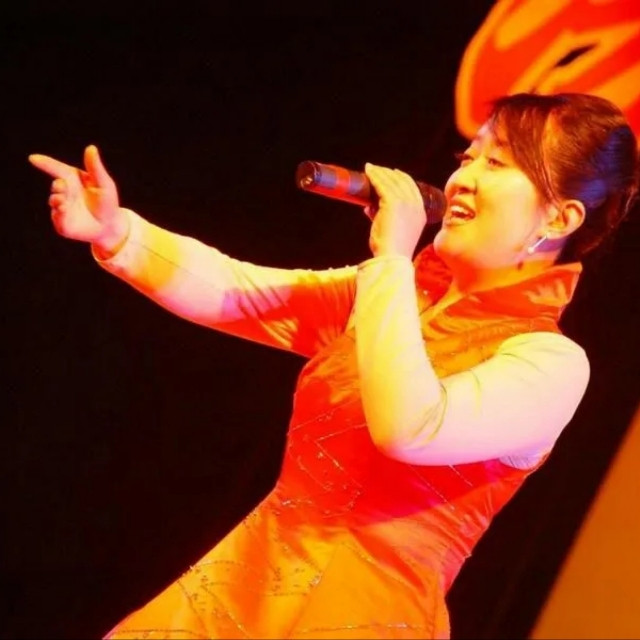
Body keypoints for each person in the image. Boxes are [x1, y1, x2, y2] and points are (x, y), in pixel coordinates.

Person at [29, 92, 638, 639]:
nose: (462, 180)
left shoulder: (549, 361)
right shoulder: (393, 296)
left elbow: (412, 427)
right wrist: (117, 233)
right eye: (468, 157)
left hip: (361, 613)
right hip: (241, 586)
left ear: (559, 218)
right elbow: (240, 293)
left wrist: (391, 259)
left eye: (496, 163)